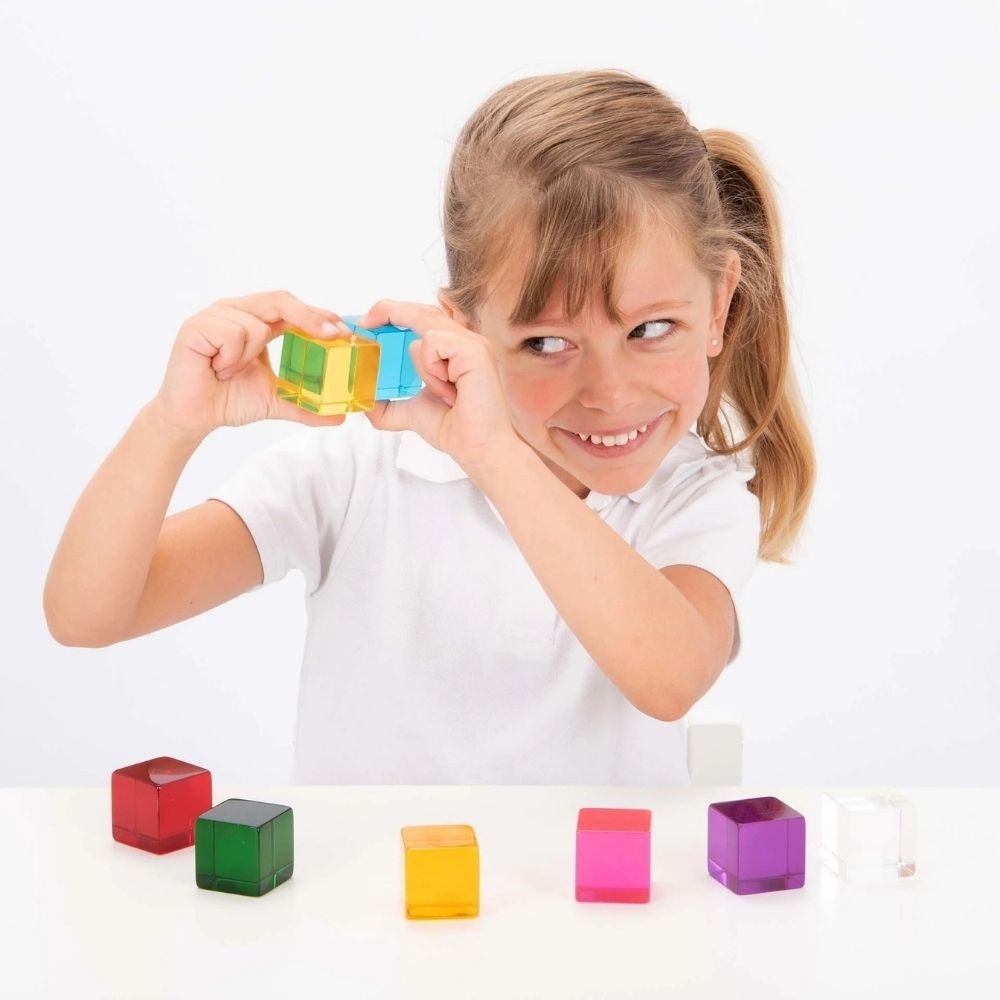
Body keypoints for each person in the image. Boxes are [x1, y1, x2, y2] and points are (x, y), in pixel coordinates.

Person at [43, 68, 815, 784]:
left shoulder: (700, 496)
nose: (609, 393)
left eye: (651, 330)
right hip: (374, 920)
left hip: (585, 925)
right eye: (546, 343)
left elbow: (669, 677)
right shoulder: (354, 475)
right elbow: (86, 616)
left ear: (719, 305)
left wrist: (495, 459)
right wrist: (169, 425)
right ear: (464, 326)